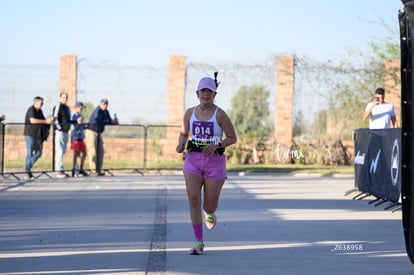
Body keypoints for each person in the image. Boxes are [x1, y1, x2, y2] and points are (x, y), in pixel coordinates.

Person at [176, 74, 237, 255]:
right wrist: (180, 143)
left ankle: (209, 213)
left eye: (210, 91)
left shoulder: (220, 115)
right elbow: (183, 133)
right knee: (194, 199)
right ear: (197, 93)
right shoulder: (189, 113)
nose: (206, 94)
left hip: (215, 163)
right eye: (203, 90)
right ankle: (198, 241)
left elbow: (232, 138)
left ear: (214, 94)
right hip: (193, 160)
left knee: (209, 205)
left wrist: (217, 144)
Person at [85, 98, 118, 176]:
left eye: (106, 104)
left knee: (101, 151)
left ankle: (98, 170)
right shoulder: (98, 111)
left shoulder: (106, 112)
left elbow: (109, 121)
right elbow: (97, 121)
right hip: (91, 131)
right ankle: (93, 170)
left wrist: (114, 121)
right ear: (100, 104)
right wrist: (110, 121)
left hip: (98, 132)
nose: (105, 105)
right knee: (92, 151)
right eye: (104, 104)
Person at [24, 96, 54, 179]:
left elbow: (44, 121)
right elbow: (32, 120)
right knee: (29, 152)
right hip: (30, 134)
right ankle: (27, 171)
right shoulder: (31, 109)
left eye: (43, 103)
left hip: (37, 136)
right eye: (41, 103)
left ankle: (27, 168)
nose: (42, 105)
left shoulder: (40, 111)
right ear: (35, 103)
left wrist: (50, 121)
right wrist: (45, 121)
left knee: (39, 152)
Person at [52, 92, 71, 178]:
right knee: (59, 150)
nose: (64, 99)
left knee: (63, 151)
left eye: (66, 97)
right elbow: (55, 118)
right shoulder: (58, 106)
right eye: (63, 97)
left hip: (66, 132)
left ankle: (61, 169)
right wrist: (59, 128)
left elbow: (68, 120)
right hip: (60, 132)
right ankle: (58, 170)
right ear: (60, 98)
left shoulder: (67, 108)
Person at [70, 102, 88, 177]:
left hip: (80, 137)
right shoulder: (74, 115)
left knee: (84, 152)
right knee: (75, 153)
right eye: (80, 108)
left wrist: (86, 125)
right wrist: (78, 122)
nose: (81, 109)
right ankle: (74, 168)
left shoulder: (79, 115)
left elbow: (81, 125)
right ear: (76, 107)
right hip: (75, 137)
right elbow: (74, 124)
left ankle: (81, 168)